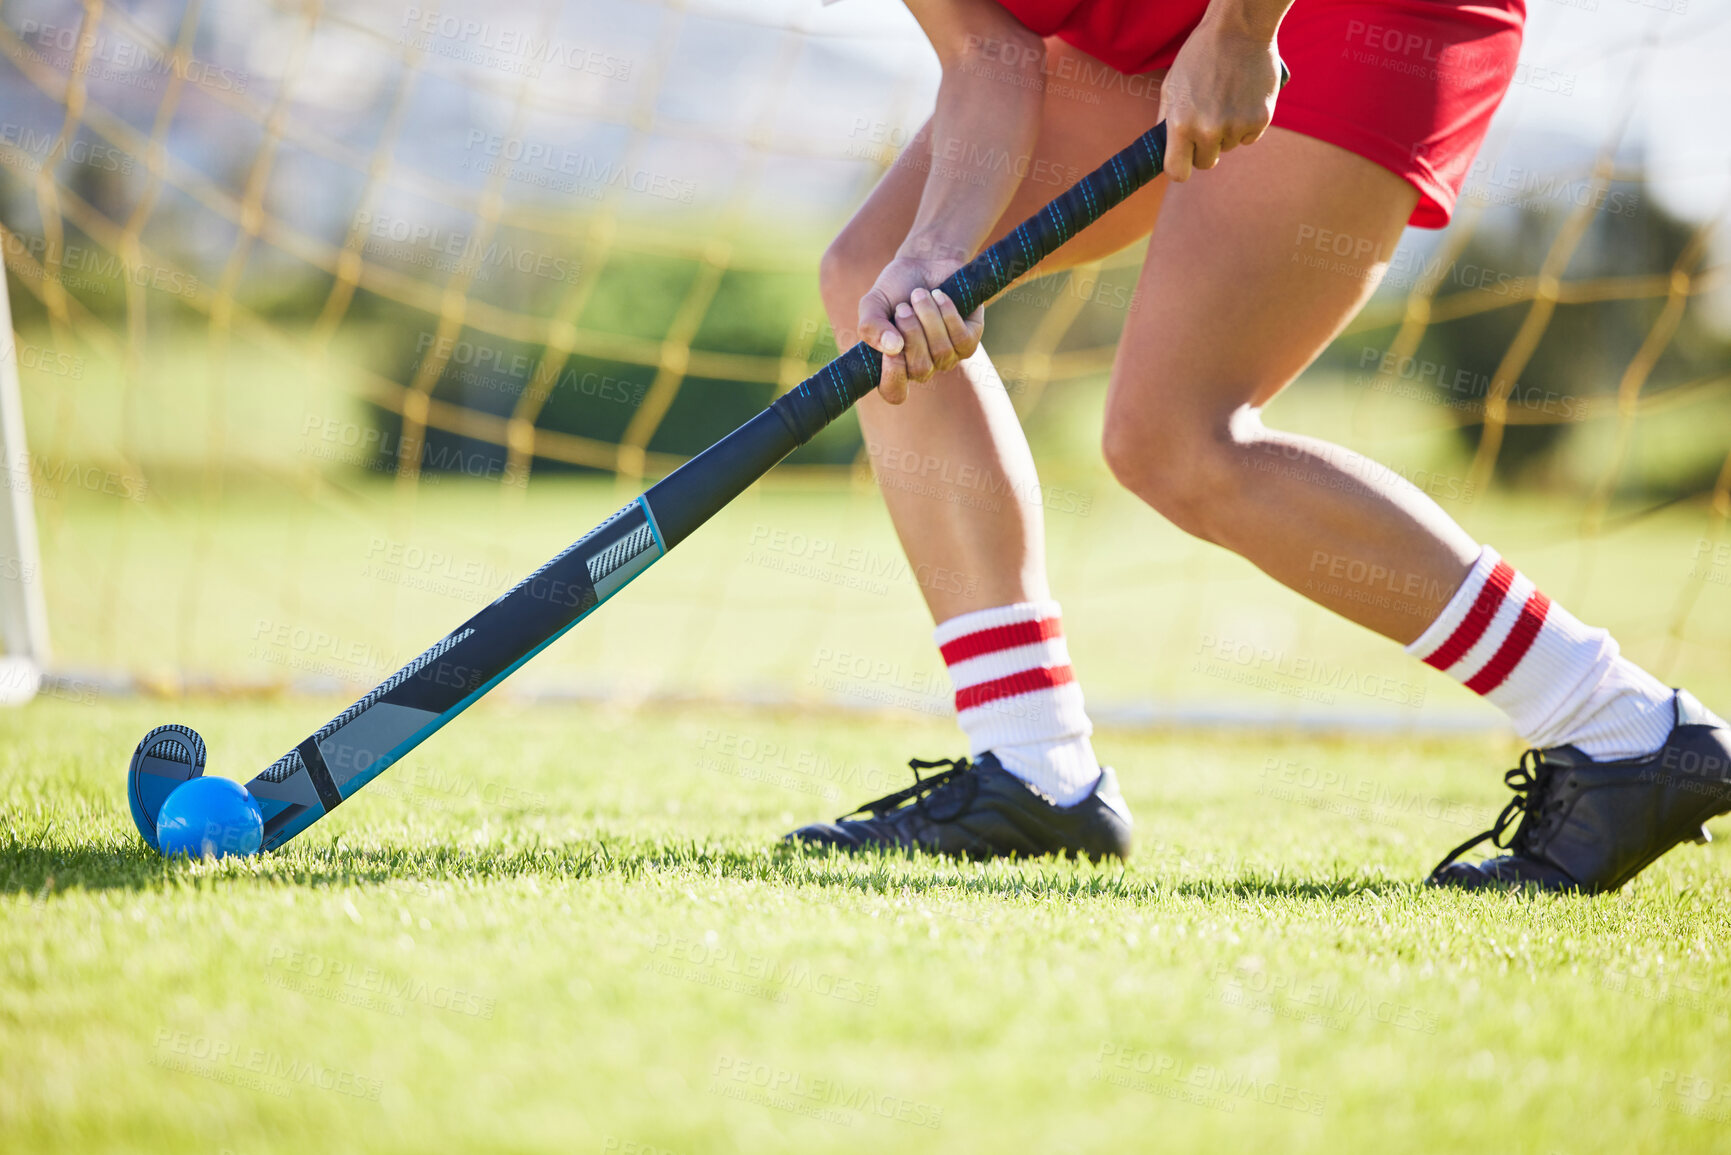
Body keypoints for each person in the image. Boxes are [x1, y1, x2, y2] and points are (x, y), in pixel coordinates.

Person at [787, 0, 1731, 892]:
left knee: (1174, 438)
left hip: (1352, 16)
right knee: (880, 275)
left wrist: (1241, 28)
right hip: (1170, 28)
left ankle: (1625, 728)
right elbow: (987, 55)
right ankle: (1033, 772)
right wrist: (940, 255)